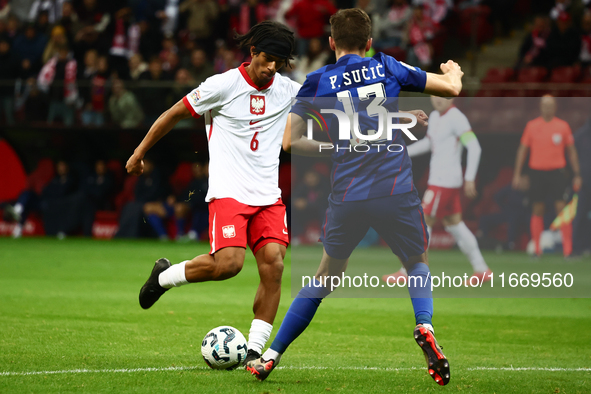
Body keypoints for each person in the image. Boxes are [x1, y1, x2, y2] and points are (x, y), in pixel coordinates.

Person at [246, 8, 463, 387]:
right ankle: (424, 325)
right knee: (416, 262)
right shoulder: (387, 66)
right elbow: (451, 89)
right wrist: (454, 71)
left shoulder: (317, 82)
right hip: (394, 187)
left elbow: (288, 142)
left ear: (331, 43)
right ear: (369, 43)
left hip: (348, 193)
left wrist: (340, 145)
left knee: (325, 277)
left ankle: (269, 356)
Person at [126, 21, 301, 365]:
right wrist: (139, 152)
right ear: (252, 52)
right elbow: (175, 113)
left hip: (268, 195)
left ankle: (254, 352)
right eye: (267, 60)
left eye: (278, 63)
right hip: (230, 192)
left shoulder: (289, 90)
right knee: (228, 265)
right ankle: (163, 277)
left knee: (274, 267)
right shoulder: (222, 85)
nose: (271, 68)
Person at [383, 97, 491, 283]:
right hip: (441, 181)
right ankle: (482, 270)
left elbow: (474, 147)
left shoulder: (456, 117)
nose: (439, 99)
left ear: (452, 98)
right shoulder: (434, 117)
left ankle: (409, 271)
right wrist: (403, 152)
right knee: (455, 225)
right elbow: (429, 143)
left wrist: (470, 177)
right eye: (435, 95)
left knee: (422, 223)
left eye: (444, 96)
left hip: (444, 181)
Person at [513, 95, 582, 257]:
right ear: (540, 106)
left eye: (550, 105)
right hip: (537, 172)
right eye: (545, 105)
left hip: (557, 172)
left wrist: (577, 174)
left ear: (555, 107)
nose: (547, 108)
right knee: (538, 209)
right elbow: (522, 150)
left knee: (561, 208)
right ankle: (537, 249)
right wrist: (517, 174)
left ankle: (568, 249)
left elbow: (571, 152)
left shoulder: (563, 126)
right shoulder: (532, 126)